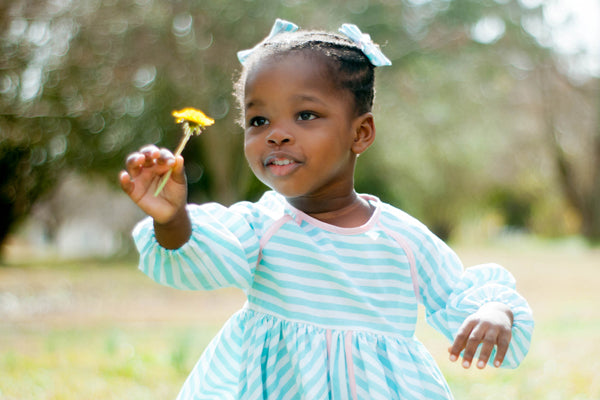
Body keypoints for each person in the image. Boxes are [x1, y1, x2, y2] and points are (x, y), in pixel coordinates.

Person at [119, 19, 534, 400]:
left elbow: (457, 293)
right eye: (258, 120)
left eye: (305, 115)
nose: (277, 135)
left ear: (361, 132)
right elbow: (200, 257)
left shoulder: (402, 239)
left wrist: (495, 311)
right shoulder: (261, 226)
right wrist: (172, 218)